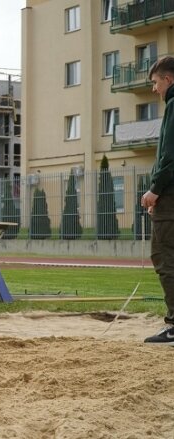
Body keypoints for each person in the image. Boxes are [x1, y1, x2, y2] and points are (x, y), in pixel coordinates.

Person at [141, 55, 174, 345]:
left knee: (164, 256)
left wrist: (155, 190)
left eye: (155, 82)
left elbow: (169, 157)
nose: (154, 89)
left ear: (169, 79)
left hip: (171, 195)